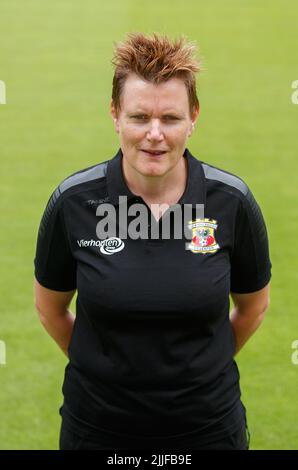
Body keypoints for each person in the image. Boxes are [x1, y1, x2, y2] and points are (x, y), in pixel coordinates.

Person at [33, 32, 272, 450]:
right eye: (140, 117)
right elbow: (50, 309)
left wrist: (199, 374)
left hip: (207, 431)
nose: (155, 134)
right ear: (115, 115)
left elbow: (253, 306)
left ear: (194, 116)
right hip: (98, 431)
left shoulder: (231, 201)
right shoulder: (73, 203)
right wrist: (105, 374)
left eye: (171, 118)